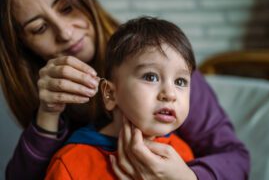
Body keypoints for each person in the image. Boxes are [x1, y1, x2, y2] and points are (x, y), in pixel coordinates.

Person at [0, 0, 250, 179]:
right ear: (23, 45)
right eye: (39, 28)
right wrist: (47, 114)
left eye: (67, 8)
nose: (65, 33)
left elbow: (236, 158)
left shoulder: (166, 62)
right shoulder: (70, 159)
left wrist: (190, 177)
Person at [45, 16, 197, 179]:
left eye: (180, 81)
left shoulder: (180, 156)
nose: (170, 94)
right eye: (151, 77)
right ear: (110, 94)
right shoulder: (69, 164)